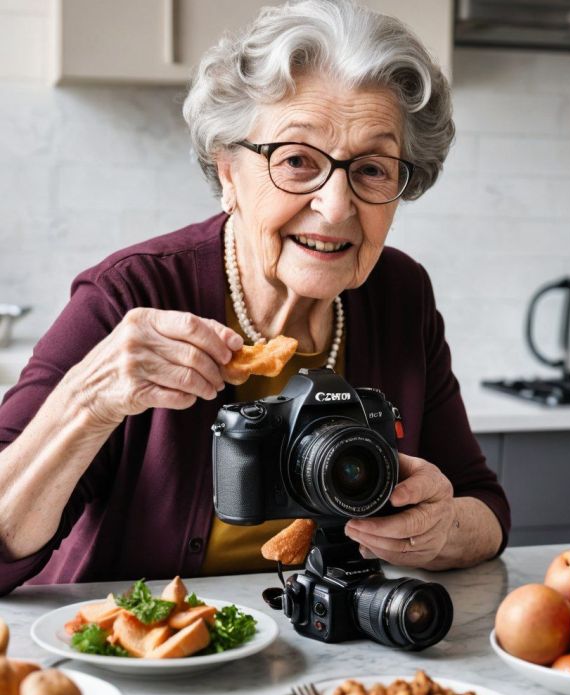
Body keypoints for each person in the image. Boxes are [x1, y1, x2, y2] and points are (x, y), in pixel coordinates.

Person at [0, 0, 509, 596]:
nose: (337, 206)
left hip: (331, 662)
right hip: (142, 661)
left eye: (371, 169)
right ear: (228, 174)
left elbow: (485, 507)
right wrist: (89, 402)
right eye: (296, 160)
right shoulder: (132, 294)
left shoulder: (400, 296)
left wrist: (442, 528)